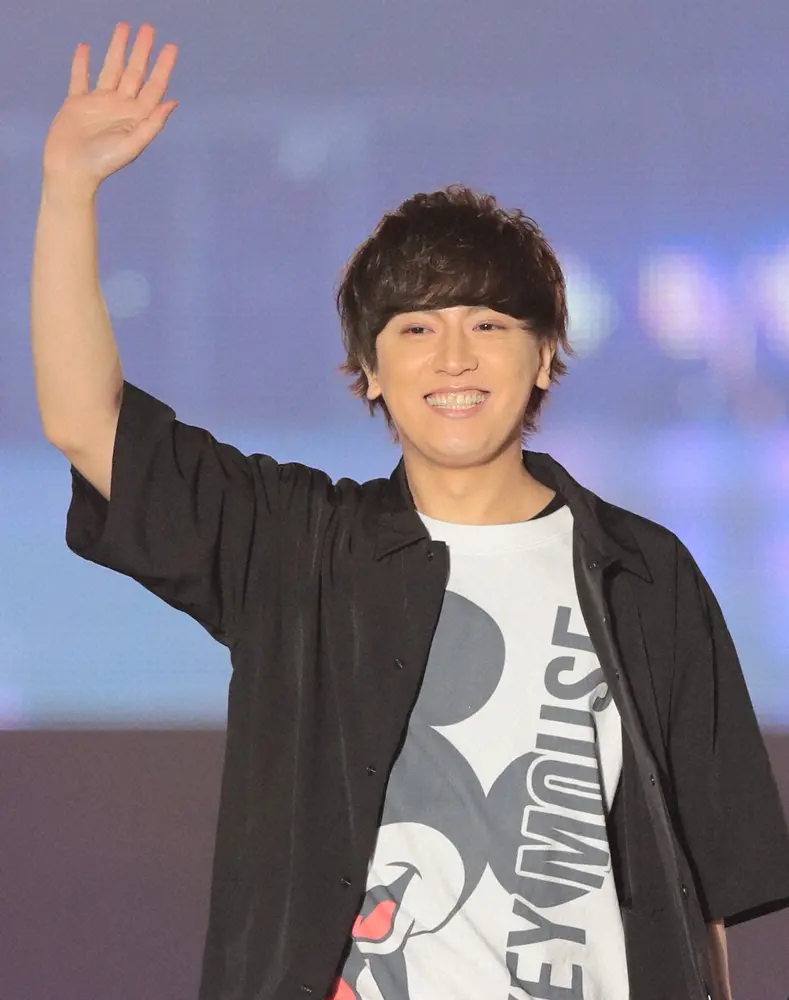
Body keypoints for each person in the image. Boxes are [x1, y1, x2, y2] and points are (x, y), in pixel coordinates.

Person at [31, 20, 789, 1000]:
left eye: (489, 323)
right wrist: (69, 189)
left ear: (545, 355)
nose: (455, 358)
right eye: (417, 328)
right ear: (370, 369)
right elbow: (87, 424)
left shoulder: (644, 571)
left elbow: (701, 885)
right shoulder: (299, 545)